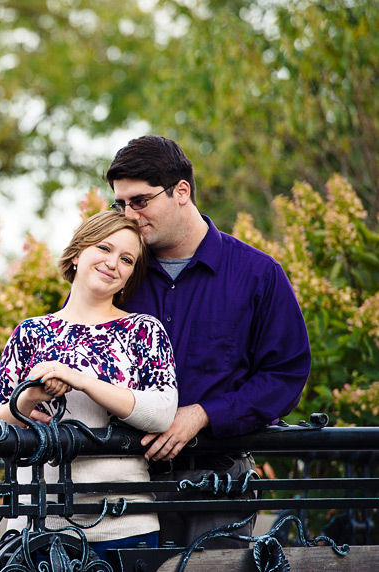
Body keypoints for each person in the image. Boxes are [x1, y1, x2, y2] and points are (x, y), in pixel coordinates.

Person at [105, 135, 311, 548]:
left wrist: (204, 414)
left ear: (182, 191)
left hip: (220, 479)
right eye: (120, 204)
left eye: (140, 201)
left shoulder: (258, 274)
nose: (129, 215)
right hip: (125, 479)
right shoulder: (115, 275)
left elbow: (285, 375)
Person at [0, 211, 178, 559]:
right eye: (104, 247)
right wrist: (26, 401)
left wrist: (83, 381)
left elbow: (161, 414)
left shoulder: (144, 330)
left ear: (130, 276)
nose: (113, 262)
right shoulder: (30, 332)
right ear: (76, 253)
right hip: (35, 527)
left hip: (124, 527)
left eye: (126, 259)